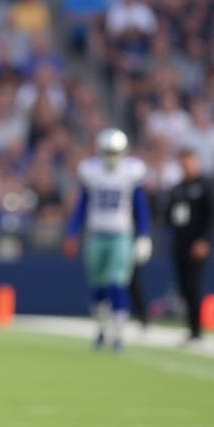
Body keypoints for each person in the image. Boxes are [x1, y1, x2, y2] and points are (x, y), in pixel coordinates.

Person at [64, 128, 151, 352]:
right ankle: (102, 329)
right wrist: (73, 232)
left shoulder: (132, 171)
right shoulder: (91, 171)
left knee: (117, 283)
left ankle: (119, 332)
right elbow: (82, 205)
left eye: (115, 152)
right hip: (96, 234)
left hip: (121, 234)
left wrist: (144, 235)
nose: (111, 157)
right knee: (98, 286)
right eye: (108, 152)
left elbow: (141, 207)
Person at [165, 147, 214, 343]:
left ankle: (197, 330)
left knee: (194, 286)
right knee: (184, 287)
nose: (187, 166)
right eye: (184, 163)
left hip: (197, 245)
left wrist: (205, 241)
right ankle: (191, 327)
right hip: (180, 244)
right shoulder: (178, 188)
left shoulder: (205, 186)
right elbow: (169, 215)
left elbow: (212, 216)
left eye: (190, 162)